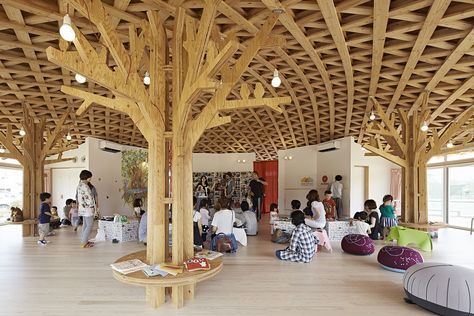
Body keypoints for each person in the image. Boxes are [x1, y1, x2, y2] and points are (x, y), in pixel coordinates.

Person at [76, 170, 96, 248]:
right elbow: (89, 198)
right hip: (88, 209)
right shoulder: (85, 186)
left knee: (85, 225)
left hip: (82, 208)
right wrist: (92, 207)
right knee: (89, 225)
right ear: (88, 178)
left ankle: (83, 240)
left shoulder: (79, 185)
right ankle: (84, 243)